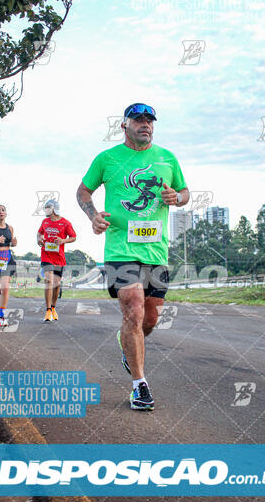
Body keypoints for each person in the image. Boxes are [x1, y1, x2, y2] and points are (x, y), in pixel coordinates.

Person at [77, 103, 189, 411]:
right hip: (120, 250)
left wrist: (176, 198)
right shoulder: (107, 159)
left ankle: (125, 343)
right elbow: (83, 192)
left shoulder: (167, 158)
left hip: (156, 250)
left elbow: (184, 192)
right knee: (134, 312)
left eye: (149, 121)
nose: (145, 125)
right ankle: (140, 386)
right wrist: (93, 216)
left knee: (150, 318)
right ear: (124, 125)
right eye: (138, 120)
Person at [37, 199, 76, 322]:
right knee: (48, 280)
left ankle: (53, 308)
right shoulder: (45, 221)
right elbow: (39, 233)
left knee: (56, 284)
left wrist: (63, 240)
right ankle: (48, 310)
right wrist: (38, 239)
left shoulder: (65, 223)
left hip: (59, 258)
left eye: (47, 207)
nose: (46, 209)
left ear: (54, 208)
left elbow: (73, 237)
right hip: (46, 255)